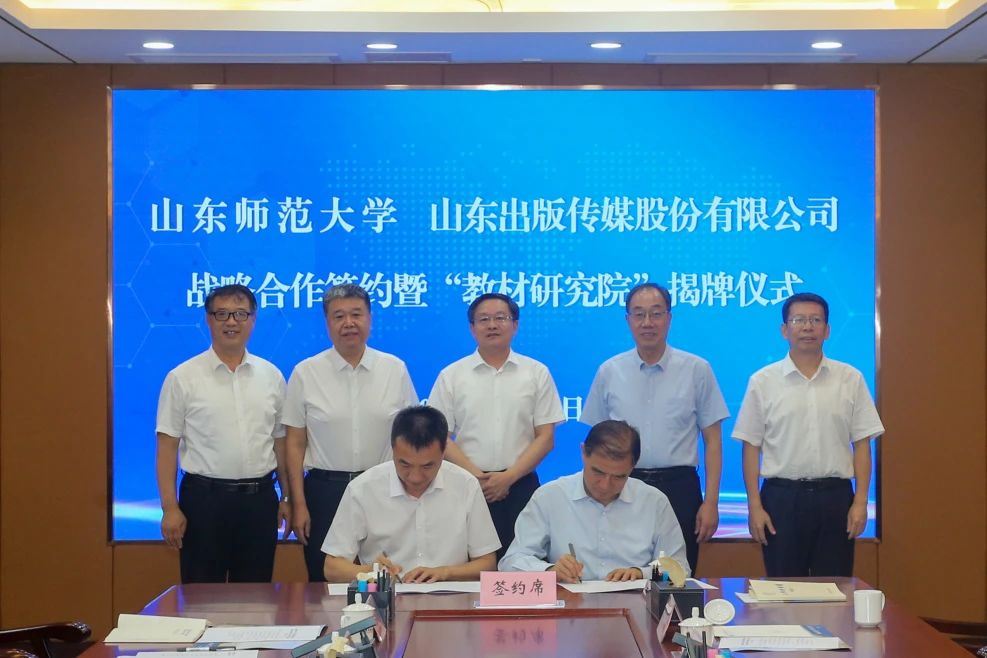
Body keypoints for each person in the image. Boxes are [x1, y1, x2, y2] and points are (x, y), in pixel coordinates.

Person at [733, 292, 885, 577]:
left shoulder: (850, 379)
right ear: (784, 329)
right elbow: (750, 447)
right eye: (798, 320)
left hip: (836, 499)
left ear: (827, 330)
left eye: (815, 320)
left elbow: (862, 444)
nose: (807, 327)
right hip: (781, 500)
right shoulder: (763, 381)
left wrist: (860, 502)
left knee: (835, 587)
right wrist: (754, 506)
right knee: (783, 588)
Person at [580, 282, 728, 575]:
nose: (647, 322)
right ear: (628, 320)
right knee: (621, 570)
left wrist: (711, 502)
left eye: (656, 313)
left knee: (675, 574)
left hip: (680, 486)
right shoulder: (610, 371)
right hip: (623, 484)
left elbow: (713, 441)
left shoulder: (697, 369)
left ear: (669, 318)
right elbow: (596, 441)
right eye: (639, 314)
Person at [283, 284, 418, 582]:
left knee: (388, 576)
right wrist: (298, 502)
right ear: (327, 323)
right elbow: (294, 443)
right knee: (325, 579)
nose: (349, 323)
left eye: (356, 314)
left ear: (369, 318)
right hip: (325, 492)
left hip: (384, 489)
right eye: (339, 316)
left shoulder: (394, 369)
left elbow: (410, 434)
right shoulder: (306, 372)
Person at [156, 284, 289, 583]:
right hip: (203, 503)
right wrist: (169, 508)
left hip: (259, 502)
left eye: (240, 314)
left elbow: (280, 444)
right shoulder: (182, 377)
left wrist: (287, 496)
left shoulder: (271, 376)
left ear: (253, 319)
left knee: (256, 597)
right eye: (222, 314)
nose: (231, 322)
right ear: (208, 319)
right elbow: (167, 447)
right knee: (202, 597)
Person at [427, 292, 564, 557]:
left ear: (515, 325)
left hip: (521, 485)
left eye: (500, 318)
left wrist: (508, 478)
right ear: (472, 328)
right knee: (469, 564)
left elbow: (546, 437)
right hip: (467, 485)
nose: (492, 325)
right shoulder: (452, 375)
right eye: (484, 319)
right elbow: (439, 437)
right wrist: (478, 478)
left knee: (524, 564)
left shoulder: (536, 372)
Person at [321, 405, 500, 583]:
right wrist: (372, 572)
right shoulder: (362, 489)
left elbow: (487, 563)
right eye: (405, 464)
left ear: (444, 452)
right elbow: (332, 568)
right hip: (387, 596)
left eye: (427, 466)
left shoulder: (466, 485)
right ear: (393, 449)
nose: (415, 477)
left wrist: (445, 573)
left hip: (449, 595)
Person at [500, 420, 688, 581]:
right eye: (598, 472)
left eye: (619, 477)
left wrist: (642, 573)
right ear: (583, 452)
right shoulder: (550, 496)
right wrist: (550, 570)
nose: (605, 485)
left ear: (633, 466)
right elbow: (511, 562)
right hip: (571, 606)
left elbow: (679, 568)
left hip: (637, 604)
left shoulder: (654, 502)